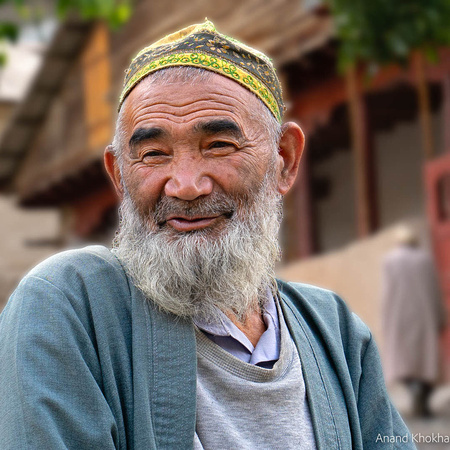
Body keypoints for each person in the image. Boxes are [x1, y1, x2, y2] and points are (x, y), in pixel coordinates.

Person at [0, 21, 413, 449]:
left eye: (218, 145)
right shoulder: (69, 305)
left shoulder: (336, 333)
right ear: (119, 176)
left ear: (284, 161)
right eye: (153, 154)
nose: (185, 185)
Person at [381, 225, 445, 417]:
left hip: (399, 317)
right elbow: (434, 289)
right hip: (423, 316)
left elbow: (387, 293)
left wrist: (386, 319)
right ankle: (422, 396)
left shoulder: (390, 261)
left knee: (405, 362)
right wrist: (440, 316)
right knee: (425, 361)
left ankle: (413, 390)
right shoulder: (424, 260)